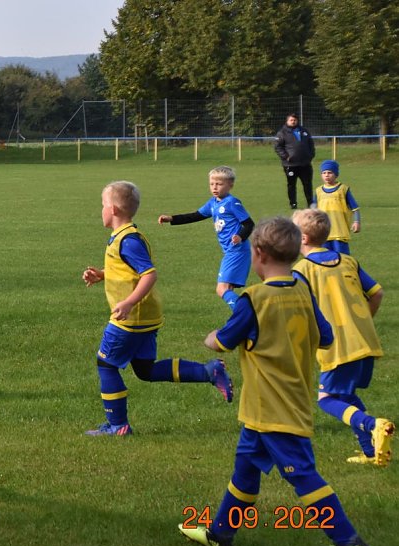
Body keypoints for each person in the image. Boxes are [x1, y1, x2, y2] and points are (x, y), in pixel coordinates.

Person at [179, 216, 373, 546]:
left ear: (259, 254)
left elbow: (223, 341)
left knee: (302, 475)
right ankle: (221, 533)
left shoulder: (254, 299)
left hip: (274, 408)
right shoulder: (301, 287)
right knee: (246, 469)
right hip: (276, 402)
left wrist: (210, 338)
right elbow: (326, 336)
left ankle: (349, 543)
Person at [81, 181, 233, 437]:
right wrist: (103, 274)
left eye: (103, 205)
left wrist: (128, 302)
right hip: (145, 317)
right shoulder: (125, 237)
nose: (101, 210)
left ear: (115, 209)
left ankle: (118, 425)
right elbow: (127, 270)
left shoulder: (128, 240)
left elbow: (148, 275)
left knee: (106, 365)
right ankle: (208, 371)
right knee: (145, 370)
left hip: (130, 318)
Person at [291, 209, 392, 466]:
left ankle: (373, 425)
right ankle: (372, 453)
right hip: (365, 340)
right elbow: (377, 294)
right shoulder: (348, 260)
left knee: (327, 400)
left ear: (302, 238)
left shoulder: (302, 270)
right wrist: (364, 321)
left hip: (337, 345)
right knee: (346, 396)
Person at [158, 166, 254, 310]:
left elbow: (249, 224)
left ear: (230, 185)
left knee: (221, 289)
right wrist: (171, 218)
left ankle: (247, 313)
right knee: (227, 289)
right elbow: (195, 215)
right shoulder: (213, 203)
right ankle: (242, 317)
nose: (215, 187)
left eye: (219, 184)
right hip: (230, 251)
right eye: (212, 184)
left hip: (237, 251)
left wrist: (240, 236)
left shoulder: (232, 203)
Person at [311, 160, 361, 254]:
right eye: (324, 173)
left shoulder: (343, 189)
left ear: (336, 174)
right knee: (326, 259)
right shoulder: (318, 191)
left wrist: (357, 222)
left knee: (342, 258)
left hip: (340, 232)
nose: (326, 175)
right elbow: (313, 210)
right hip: (324, 232)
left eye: (330, 172)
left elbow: (355, 208)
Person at [274, 112, 316, 209]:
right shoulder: (282, 133)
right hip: (291, 164)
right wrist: (286, 156)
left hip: (305, 164)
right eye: (291, 120)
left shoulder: (304, 131)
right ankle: (293, 203)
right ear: (287, 121)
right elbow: (277, 147)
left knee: (308, 184)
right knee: (291, 185)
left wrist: (311, 155)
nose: (293, 122)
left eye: (295, 120)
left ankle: (310, 203)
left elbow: (311, 144)